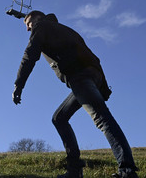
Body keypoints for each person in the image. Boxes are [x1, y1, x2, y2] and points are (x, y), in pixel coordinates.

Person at [12, 10, 138, 178]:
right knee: (59, 118)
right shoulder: (62, 29)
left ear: (36, 19)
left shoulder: (41, 26)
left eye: (28, 24)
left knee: (102, 118)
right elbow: (91, 56)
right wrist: (103, 87)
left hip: (80, 77)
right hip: (90, 77)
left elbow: (30, 55)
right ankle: (74, 170)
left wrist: (18, 85)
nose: (28, 29)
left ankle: (127, 170)